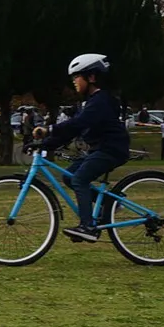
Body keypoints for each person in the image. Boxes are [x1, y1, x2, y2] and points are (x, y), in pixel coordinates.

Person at [36, 54, 130, 242]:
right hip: (100, 149)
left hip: (111, 149)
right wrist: (45, 144)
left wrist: (50, 129)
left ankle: (87, 227)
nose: (74, 81)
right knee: (69, 177)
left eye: (76, 76)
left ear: (92, 77)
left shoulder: (101, 100)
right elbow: (73, 130)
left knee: (79, 179)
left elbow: (79, 122)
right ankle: (111, 203)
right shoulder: (89, 102)